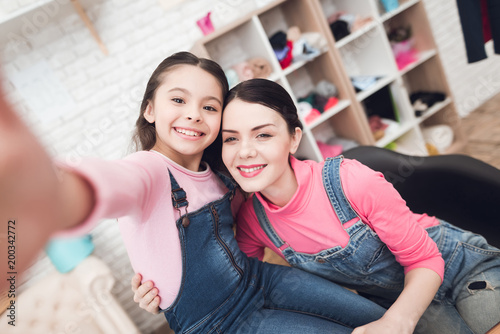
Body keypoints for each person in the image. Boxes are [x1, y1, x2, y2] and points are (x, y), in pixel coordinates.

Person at [0, 52, 387, 333]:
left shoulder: (219, 172)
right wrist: (50, 194)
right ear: (150, 109)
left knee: (373, 317)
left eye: (210, 106)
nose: (193, 115)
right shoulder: (148, 171)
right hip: (219, 324)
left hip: (261, 280)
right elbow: (105, 182)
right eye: (179, 100)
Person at [134, 78, 500, 334]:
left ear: (294, 138)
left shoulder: (350, 180)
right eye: (231, 139)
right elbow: (232, 281)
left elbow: (425, 259)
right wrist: (163, 292)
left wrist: (397, 322)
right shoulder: (251, 219)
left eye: (263, 134)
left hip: (459, 269)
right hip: (407, 302)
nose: (245, 151)